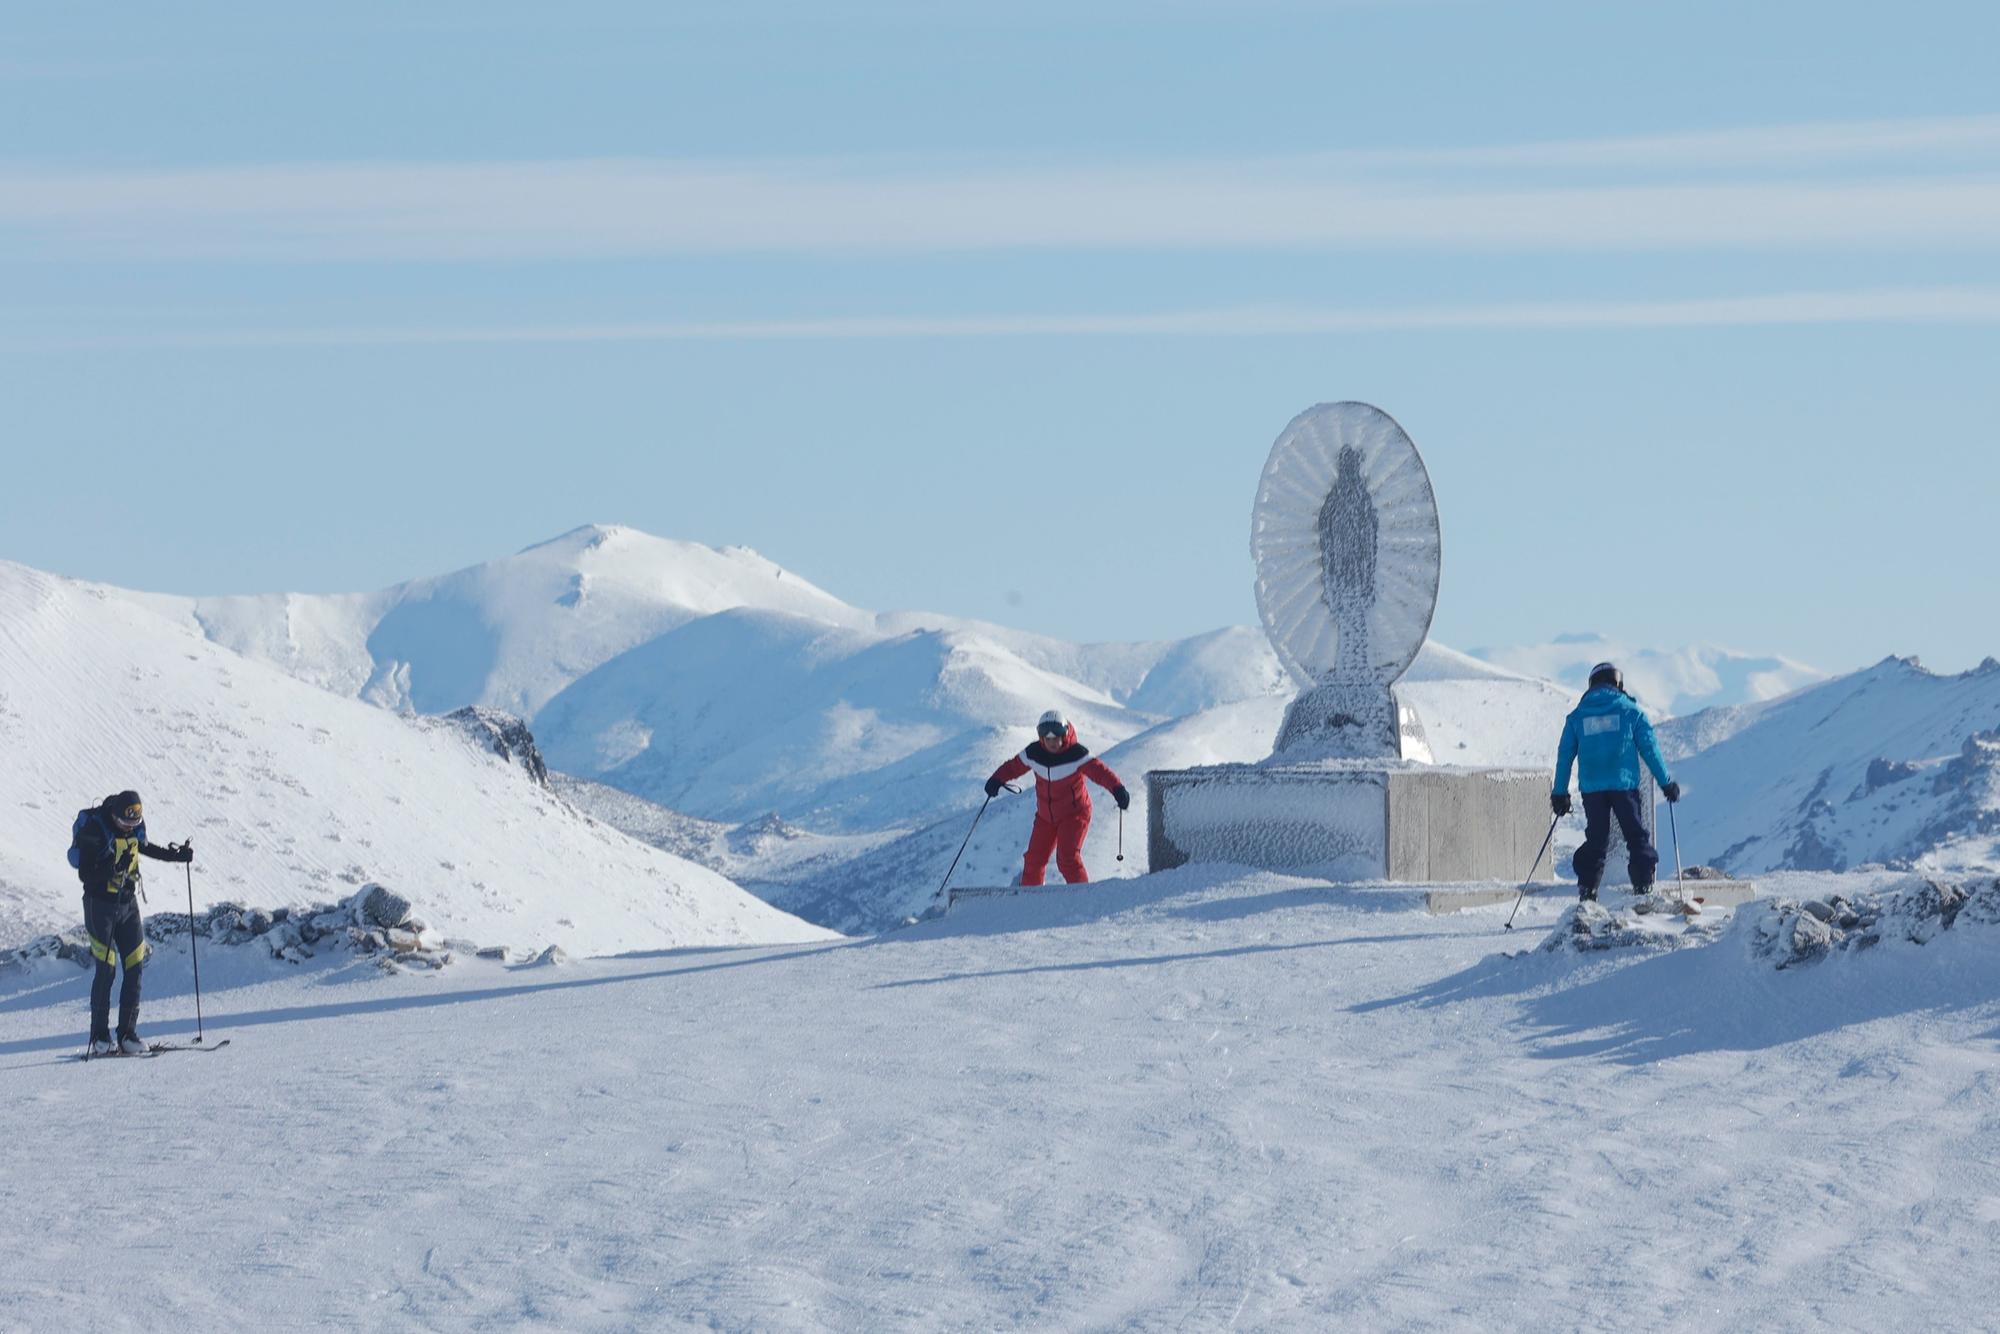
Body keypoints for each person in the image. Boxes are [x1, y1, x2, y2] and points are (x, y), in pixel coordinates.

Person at [72, 790, 193, 1056]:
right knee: (107, 969)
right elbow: (86, 874)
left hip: (127, 904)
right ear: (114, 815)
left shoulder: (134, 828)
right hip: (99, 905)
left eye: (134, 824)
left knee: (135, 966)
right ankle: (100, 1037)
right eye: (125, 823)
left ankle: (127, 1034)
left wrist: (178, 856)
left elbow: (145, 847)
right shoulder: (95, 830)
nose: (129, 828)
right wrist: (114, 867)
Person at [1551, 663, 1681, 901]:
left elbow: (1564, 756)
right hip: (1624, 786)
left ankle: (1588, 891)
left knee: (1597, 839)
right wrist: (1666, 783)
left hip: (1592, 789)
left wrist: (1559, 793)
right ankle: (1643, 887)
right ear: (1618, 684)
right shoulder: (1632, 711)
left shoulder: (1577, 717)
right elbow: (1650, 750)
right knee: (1636, 836)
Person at [984, 710, 1128, 886]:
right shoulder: (1034, 753)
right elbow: (1013, 767)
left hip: (1074, 814)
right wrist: (996, 779)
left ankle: (1082, 896)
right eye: (1048, 738)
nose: (1053, 742)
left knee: (1067, 859)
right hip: (1046, 817)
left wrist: (1117, 788)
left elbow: (1100, 772)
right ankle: (1030, 900)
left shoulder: (1076, 754)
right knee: (1034, 860)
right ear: (1041, 737)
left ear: (1065, 733)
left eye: (1057, 736)